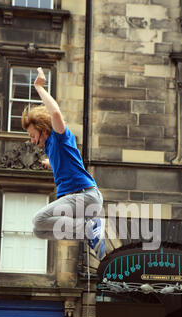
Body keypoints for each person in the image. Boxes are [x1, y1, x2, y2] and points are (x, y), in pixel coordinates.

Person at [21, 67, 105, 260]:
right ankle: (88, 233)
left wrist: (39, 88)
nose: (32, 141)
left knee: (38, 219)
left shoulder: (60, 136)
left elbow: (56, 114)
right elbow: (68, 161)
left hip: (84, 197)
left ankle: (90, 227)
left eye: (33, 135)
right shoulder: (52, 147)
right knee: (39, 230)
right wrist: (51, 163)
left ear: (42, 128)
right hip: (78, 201)